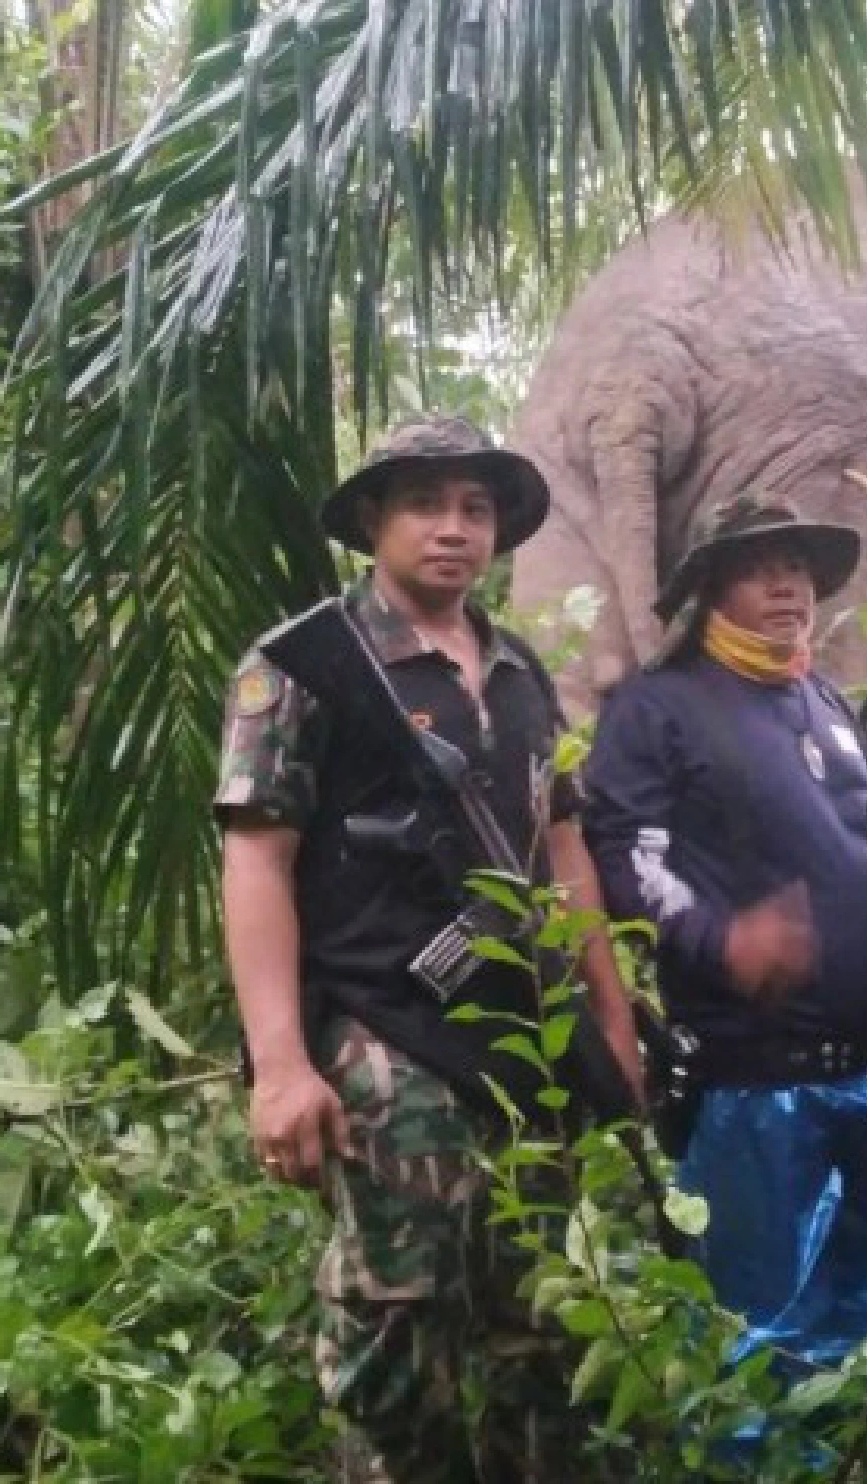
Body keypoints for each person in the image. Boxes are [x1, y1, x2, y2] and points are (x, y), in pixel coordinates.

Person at [215, 414, 642, 1483]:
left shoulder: (517, 672)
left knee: (542, 1326)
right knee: (400, 1340)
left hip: (527, 1047)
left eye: (475, 507)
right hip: (386, 1041)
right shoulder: (305, 662)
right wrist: (280, 1066)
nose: (452, 528)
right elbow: (256, 861)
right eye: (424, 503)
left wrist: (611, 1013)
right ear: (373, 519)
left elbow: (562, 841)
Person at [582, 494, 867, 1377]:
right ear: (708, 589)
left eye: (797, 566)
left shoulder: (822, 700)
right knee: (763, 1327)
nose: (787, 585)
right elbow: (625, 857)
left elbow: (856, 855)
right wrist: (719, 937)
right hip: (752, 1080)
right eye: (757, 567)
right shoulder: (657, 707)